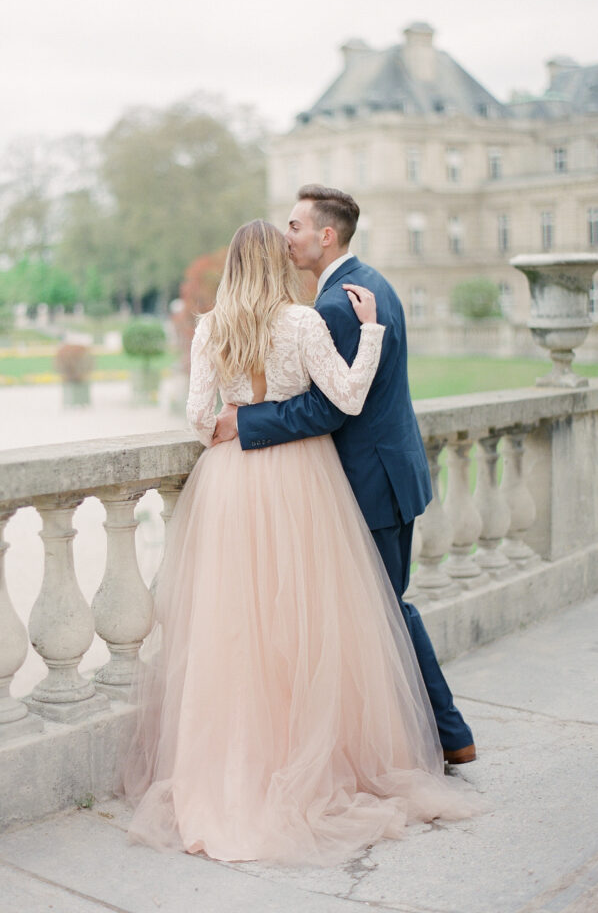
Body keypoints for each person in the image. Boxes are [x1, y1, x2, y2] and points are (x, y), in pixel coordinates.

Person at [122, 219, 481, 865]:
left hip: (230, 486)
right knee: (307, 623)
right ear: (276, 263)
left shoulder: (211, 328)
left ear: (233, 264)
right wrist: (370, 334)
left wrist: (228, 429)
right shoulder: (302, 322)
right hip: (303, 480)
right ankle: (308, 757)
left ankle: (239, 767)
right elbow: (345, 395)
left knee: (237, 629)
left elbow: (199, 420)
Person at [213, 185, 475, 764]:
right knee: (383, 606)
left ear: (325, 235)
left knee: (382, 608)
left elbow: (330, 408)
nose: (287, 238)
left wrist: (246, 421)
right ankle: (435, 736)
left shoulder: (336, 305)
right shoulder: (372, 285)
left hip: (369, 480)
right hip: (390, 469)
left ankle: (448, 735)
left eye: (295, 227)